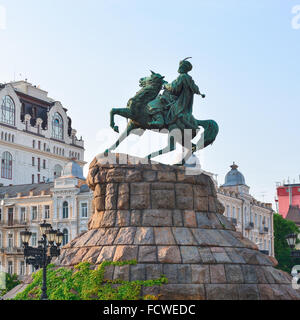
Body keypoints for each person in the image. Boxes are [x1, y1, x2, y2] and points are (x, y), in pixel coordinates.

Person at [164, 57, 205, 130]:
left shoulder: (182, 77)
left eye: (181, 66)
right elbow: (195, 88)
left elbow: (175, 88)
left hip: (181, 101)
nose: (179, 68)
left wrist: (166, 86)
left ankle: (161, 120)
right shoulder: (189, 78)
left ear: (184, 68)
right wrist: (199, 93)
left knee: (165, 104)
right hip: (186, 104)